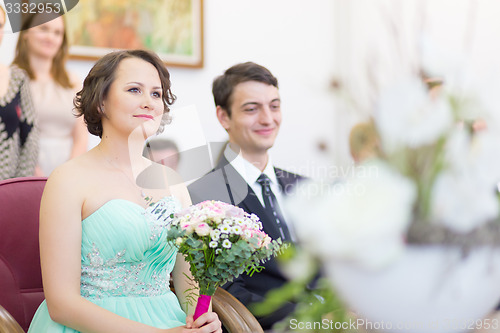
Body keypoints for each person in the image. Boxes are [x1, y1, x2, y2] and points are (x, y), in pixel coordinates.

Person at [28, 50, 221, 333]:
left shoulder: (173, 182)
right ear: (101, 101)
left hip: (172, 323)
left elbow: (189, 282)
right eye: (134, 90)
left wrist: (202, 318)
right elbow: (61, 303)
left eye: (156, 94)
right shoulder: (67, 180)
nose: (149, 102)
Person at [188, 62, 304, 330]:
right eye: (252, 109)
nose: (267, 119)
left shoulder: (303, 187)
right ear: (223, 117)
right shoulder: (206, 197)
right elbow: (228, 293)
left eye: (274, 106)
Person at [12, 9, 88, 176]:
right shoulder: (10, 79)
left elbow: (81, 136)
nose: (50, 38)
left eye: (57, 33)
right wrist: (35, 174)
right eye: (43, 29)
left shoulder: (73, 81)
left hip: (69, 170)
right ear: (25, 33)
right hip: (23, 170)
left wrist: (67, 173)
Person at [0, 4, 38, 180]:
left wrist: (18, 185)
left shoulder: (17, 78)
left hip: (7, 190)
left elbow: (30, 137)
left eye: (0, 26)